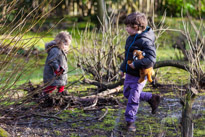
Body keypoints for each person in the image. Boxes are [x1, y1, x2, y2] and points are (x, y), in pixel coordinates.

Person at [119, 12, 160, 132]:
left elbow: (151, 59)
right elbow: (127, 56)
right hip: (129, 74)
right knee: (127, 94)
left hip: (140, 76)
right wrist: (123, 68)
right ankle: (152, 98)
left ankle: (130, 122)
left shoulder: (145, 41)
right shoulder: (130, 38)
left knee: (133, 98)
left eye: (128, 26)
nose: (126, 29)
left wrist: (136, 64)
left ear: (137, 27)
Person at [43, 31, 72, 95]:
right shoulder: (55, 50)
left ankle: (60, 96)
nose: (66, 46)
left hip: (61, 74)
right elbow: (52, 60)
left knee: (62, 86)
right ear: (60, 41)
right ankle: (44, 95)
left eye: (67, 45)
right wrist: (57, 69)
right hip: (53, 74)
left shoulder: (61, 50)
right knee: (52, 86)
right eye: (65, 44)